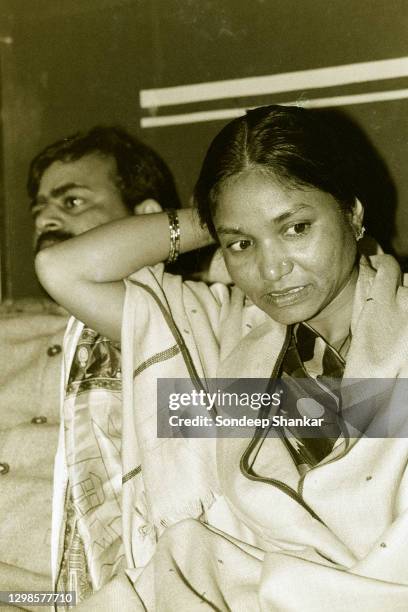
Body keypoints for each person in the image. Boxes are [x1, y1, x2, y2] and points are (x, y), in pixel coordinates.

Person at [35, 106, 408, 611]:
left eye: (297, 228)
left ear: (353, 212)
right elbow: (62, 269)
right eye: (242, 244)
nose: (272, 268)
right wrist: (219, 216)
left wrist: (242, 218)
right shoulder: (226, 332)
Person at [0, 125, 181, 607]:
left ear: (147, 221)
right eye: (39, 209)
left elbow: (364, 409)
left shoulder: (185, 331)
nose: (46, 220)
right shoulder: (8, 326)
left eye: (73, 202)